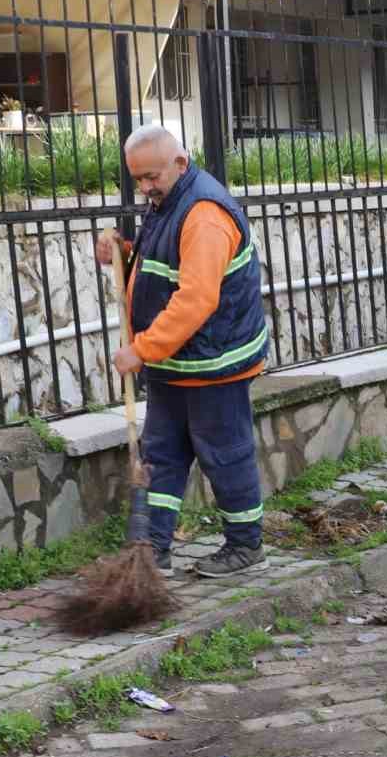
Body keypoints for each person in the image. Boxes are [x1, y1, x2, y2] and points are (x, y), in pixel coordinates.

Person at [94, 124, 270, 577]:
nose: (145, 187)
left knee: (223, 454)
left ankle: (246, 544)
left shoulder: (205, 216)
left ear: (180, 162)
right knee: (161, 455)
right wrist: (122, 252)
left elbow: (195, 299)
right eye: (138, 179)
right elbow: (163, 264)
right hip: (175, 361)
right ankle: (152, 550)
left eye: (152, 176)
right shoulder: (168, 201)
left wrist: (142, 349)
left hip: (215, 363)